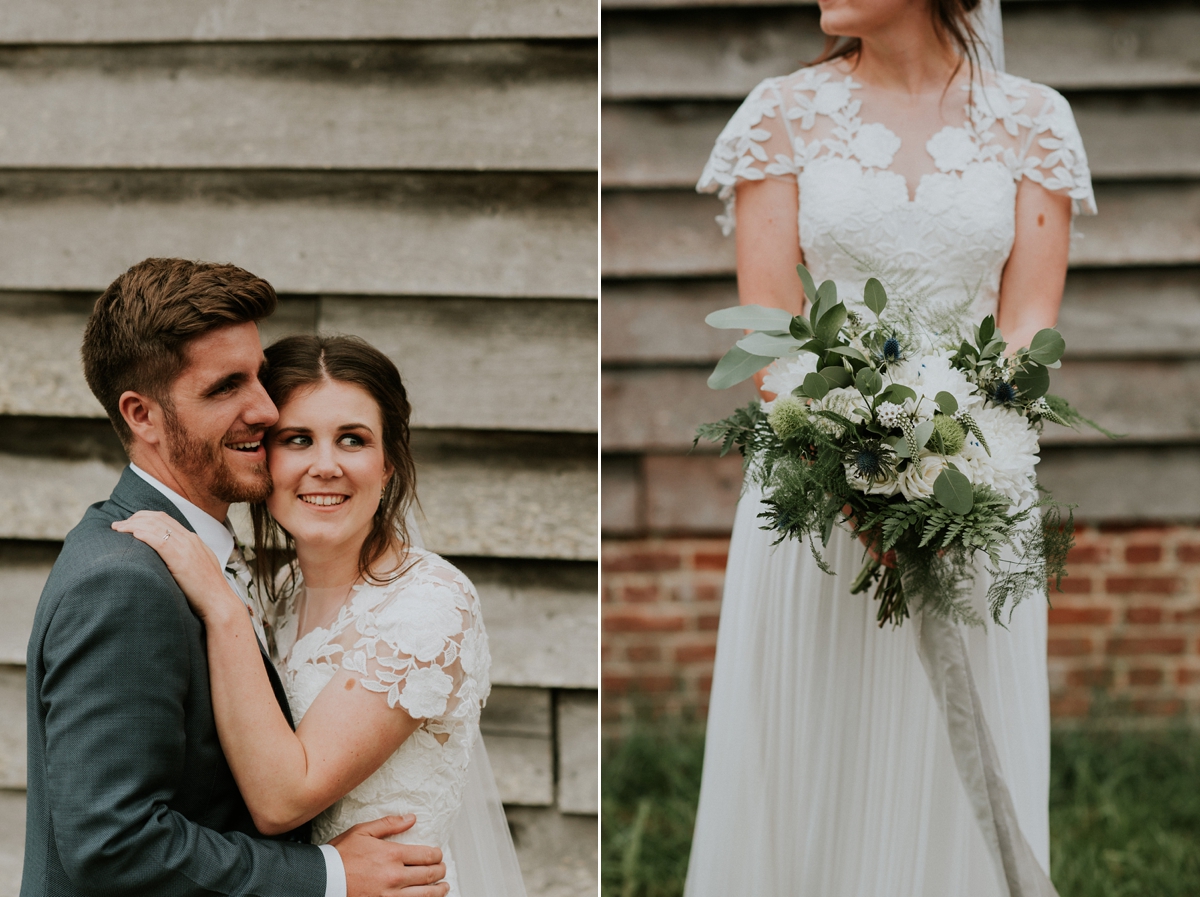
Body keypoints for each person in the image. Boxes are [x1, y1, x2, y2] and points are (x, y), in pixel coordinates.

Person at [688, 0, 1094, 894]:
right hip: (815, 481)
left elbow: (1027, 330)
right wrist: (850, 465)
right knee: (814, 738)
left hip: (972, 490)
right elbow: (771, 329)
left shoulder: (1035, 121)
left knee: (952, 741)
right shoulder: (780, 114)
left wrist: (966, 461)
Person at [24, 258, 448, 897]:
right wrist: (328, 874)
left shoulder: (209, 563)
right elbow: (114, 845)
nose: (266, 408)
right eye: (226, 387)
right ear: (143, 416)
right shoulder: (124, 581)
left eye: (258, 377)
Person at [111, 333, 527, 897]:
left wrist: (223, 609)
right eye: (298, 439)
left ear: (388, 465)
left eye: (352, 440)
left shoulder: (429, 604)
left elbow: (284, 800)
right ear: (263, 458)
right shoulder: (280, 593)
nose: (325, 466)